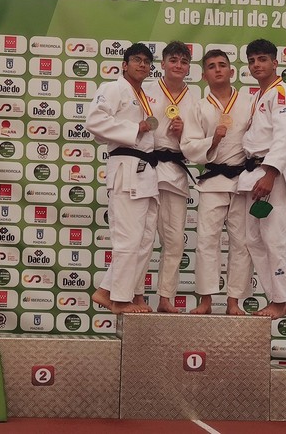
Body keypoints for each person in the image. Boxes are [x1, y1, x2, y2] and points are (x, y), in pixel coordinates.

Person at [181, 48, 255, 315]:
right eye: (211, 66)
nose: (218, 69)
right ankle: (206, 300)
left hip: (242, 181)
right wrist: (212, 141)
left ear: (231, 71)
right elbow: (188, 145)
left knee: (242, 242)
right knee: (206, 241)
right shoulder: (198, 107)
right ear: (204, 75)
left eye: (222, 65)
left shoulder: (250, 102)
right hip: (213, 182)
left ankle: (234, 301)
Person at [87, 42, 159, 314]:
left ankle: (114, 291)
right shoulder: (113, 88)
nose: (142, 65)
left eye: (146, 62)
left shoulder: (143, 96)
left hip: (145, 170)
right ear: (124, 65)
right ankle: (119, 299)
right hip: (126, 167)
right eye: (137, 60)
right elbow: (94, 122)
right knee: (128, 238)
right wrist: (134, 128)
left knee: (144, 239)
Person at [238, 39, 286, 320]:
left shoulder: (283, 92)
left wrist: (271, 173)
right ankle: (276, 298)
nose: (257, 65)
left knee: (275, 239)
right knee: (253, 240)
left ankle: (281, 300)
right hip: (254, 171)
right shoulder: (259, 96)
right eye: (252, 60)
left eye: (262, 59)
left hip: (271, 174)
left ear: (275, 63)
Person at [140, 41, 198, 313]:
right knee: (142, 238)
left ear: (188, 68)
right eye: (173, 60)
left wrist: (184, 133)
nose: (178, 65)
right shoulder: (145, 92)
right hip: (146, 168)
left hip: (175, 171)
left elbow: (199, 142)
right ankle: (136, 295)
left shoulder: (195, 100)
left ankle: (166, 298)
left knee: (174, 240)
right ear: (162, 64)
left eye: (183, 62)